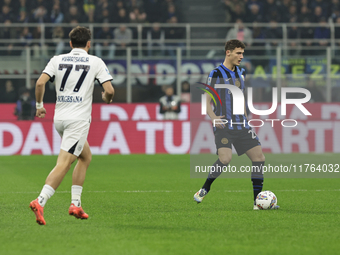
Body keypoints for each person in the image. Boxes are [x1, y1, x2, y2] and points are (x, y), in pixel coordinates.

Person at [29, 26, 114, 225]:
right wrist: (106, 98)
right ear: (89, 44)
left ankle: (75, 204)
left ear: (70, 44)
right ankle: (40, 201)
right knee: (64, 163)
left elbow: (40, 83)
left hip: (60, 119)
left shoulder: (57, 59)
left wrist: (40, 106)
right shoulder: (95, 61)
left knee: (85, 156)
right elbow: (109, 90)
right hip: (78, 121)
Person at [193, 39, 279, 210]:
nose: (241, 56)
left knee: (259, 158)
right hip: (224, 125)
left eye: (242, 53)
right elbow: (206, 101)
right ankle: (204, 188)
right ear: (228, 53)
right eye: (239, 53)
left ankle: (257, 203)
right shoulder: (216, 73)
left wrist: (246, 118)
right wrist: (213, 118)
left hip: (241, 125)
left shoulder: (241, 72)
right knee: (225, 159)